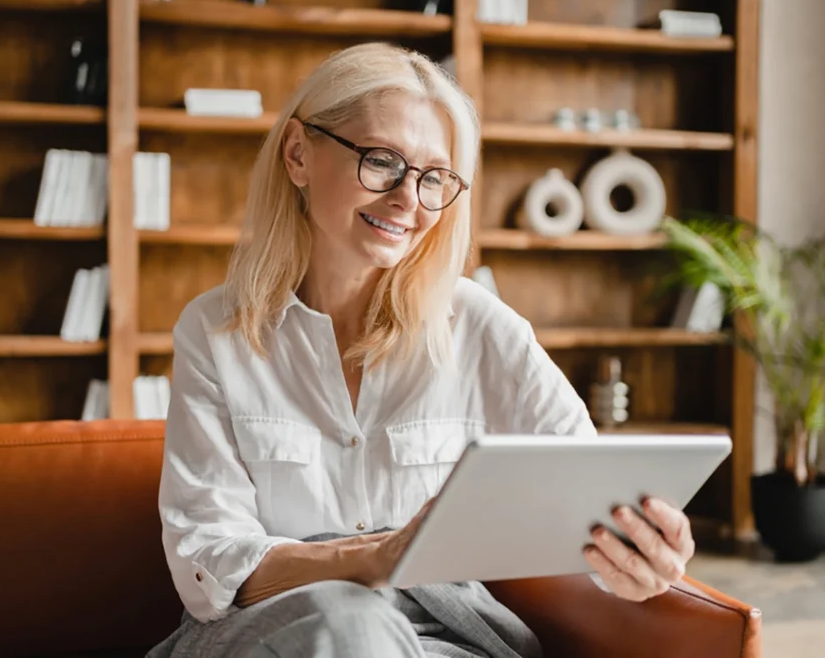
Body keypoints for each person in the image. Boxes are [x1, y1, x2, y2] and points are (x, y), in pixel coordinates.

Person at [145, 42, 695, 658]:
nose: (409, 199)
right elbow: (211, 562)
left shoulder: (482, 327)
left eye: (434, 177)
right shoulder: (215, 331)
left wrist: (639, 553)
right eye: (382, 161)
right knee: (350, 625)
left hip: (441, 641)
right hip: (272, 635)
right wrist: (377, 556)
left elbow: (590, 501)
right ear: (298, 153)